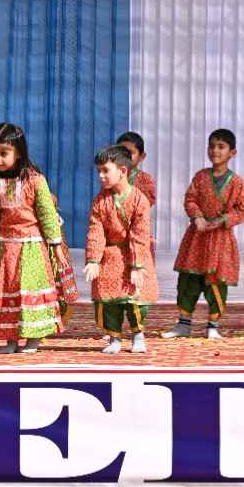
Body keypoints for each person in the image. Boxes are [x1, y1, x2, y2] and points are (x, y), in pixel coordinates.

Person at [0, 122, 74, 354]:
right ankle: (10, 340)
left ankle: (33, 340)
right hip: (5, 249)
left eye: (4, 153)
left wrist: (56, 246)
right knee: (6, 291)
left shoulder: (35, 180)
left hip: (32, 248)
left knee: (30, 291)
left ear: (19, 152)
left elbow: (47, 214)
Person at [167, 129, 244, 340]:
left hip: (221, 239)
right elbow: (190, 199)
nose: (215, 151)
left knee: (216, 281)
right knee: (189, 279)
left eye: (221, 147)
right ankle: (183, 324)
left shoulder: (237, 182)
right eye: (212, 146)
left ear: (232, 152)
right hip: (197, 237)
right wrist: (197, 217)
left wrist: (223, 220)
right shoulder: (201, 177)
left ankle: (213, 325)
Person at [85, 143, 156, 354]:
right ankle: (114, 338)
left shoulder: (139, 200)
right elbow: (95, 231)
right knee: (108, 302)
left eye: (105, 171)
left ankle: (137, 335)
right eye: (98, 171)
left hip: (134, 258)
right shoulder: (100, 202)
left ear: (122, 171)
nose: (100, 176)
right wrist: (93, 260)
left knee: (135, 299)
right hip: (109, 258)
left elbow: (139, 235)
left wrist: (137, 266)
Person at [116, 131, 156, 208]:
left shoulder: (145, 179)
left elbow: (146, 204)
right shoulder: (111, 176)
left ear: (142, 156)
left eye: (130, 152)